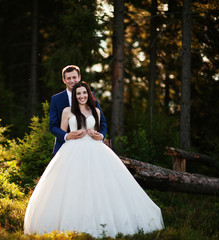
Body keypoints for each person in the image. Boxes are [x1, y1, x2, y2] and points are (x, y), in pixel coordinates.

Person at [24, 82, 164, 238]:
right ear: (74, 96)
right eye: (78, 94)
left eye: (84, 93)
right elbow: (60, 132)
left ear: (88, 94)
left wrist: (98, 135)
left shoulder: (96, 111)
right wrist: (68, 135)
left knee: (101, 184)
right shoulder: (67, 111)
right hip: (72, 150)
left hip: (95, 150)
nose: (82, 96)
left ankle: (105, 222)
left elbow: (100, 130)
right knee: (72, 185)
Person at [49, 65, 107, 154]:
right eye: (68, 78)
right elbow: (53, 126)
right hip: (65, 147)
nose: (72, 81)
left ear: (79, 77)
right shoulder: (56, 99)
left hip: (91, 147)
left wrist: (101, 135)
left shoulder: (90, 96)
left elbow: (102, 122)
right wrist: (67, 136)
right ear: (64, 80)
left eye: (74, 77)